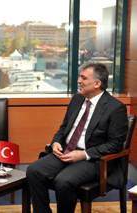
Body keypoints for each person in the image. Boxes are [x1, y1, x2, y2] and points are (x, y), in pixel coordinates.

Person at [26, 63, 128, 213]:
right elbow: (64, 128)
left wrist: (84, 154)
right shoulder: (77, 100)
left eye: (83, 78)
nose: (79, 81)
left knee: (63, 181)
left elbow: (115, 144)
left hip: (93, 159)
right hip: (67, 151)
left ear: (97, 83)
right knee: (34, 170)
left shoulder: (115, 108)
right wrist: (56, 143)